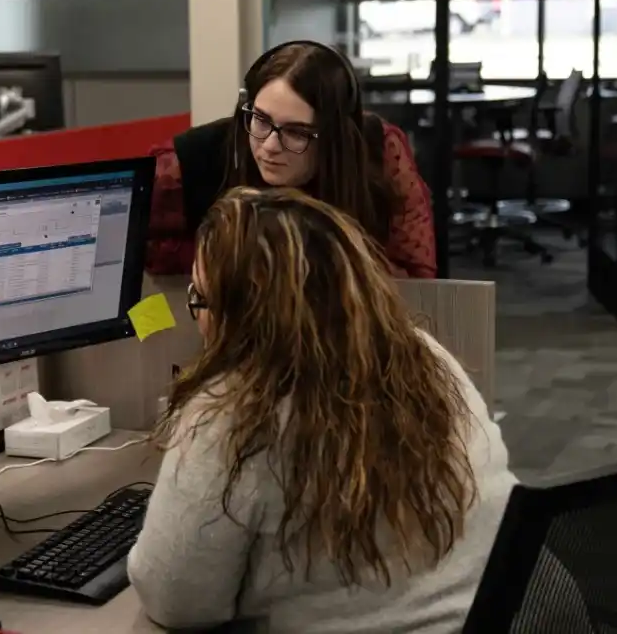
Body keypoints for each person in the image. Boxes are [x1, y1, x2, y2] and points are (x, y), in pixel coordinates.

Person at [127, 187, 514, 633]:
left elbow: (176, 601)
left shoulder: (233, 411)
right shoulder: (426, 358)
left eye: (201, 300)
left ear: (247, 312)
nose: (199, 319)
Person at [145, 40, 437, 279]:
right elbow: (139, 253)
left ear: (335, 138)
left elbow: (414, 278)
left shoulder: (378, 152)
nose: (270, 146)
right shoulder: (190, 161)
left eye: (297, 132)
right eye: (260, 119)